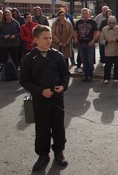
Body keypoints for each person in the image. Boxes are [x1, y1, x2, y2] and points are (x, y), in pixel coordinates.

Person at [19, 25, 70, 171]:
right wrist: (40, 91)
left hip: (57, 99)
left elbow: (65, 74)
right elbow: (25, 81)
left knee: (58, 126)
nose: (49, 41)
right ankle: (43, 155)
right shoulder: (29, 58)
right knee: (42, 128)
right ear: (36, 40)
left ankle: (59, 151)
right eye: (45, 38)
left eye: (50, 38)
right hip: (40, 100)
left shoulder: (57, 55)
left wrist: (63, 86)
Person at [74, 8, 98, 82]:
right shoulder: (78, 22)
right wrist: (75, 38)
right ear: (81, 14)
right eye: (83, 14)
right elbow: (75, 31)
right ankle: (85, 75)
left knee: (89, 60)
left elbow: (96, 33)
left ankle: (90, 75)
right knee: (84, 60)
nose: (85, 15)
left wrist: (93, 40)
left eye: (86, 14)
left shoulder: (93, 22)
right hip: (81, 44)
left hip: (89, 43)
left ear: (89, 14)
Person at [99, 16, 118, 83]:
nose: (111, 25)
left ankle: (117, 77)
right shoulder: (104, 29)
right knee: (108, 65)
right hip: (108, 50)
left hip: (117, 50)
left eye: (113, 23)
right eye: (110, 23)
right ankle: (106, 78)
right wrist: (106, 41)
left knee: (117, 65)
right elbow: (101, 40)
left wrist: (117, 40)